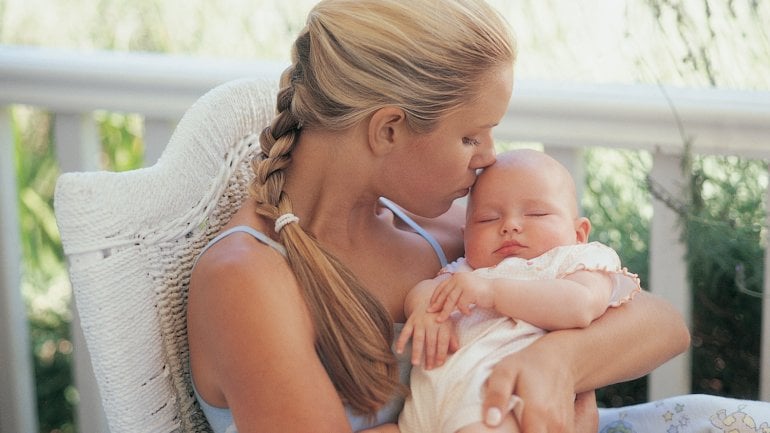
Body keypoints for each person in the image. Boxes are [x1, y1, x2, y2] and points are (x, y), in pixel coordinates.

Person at [186, 1, 690, 432]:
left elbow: (660, 322)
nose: (490, 157)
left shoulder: (433, 228)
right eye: (471, 136)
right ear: (388, 129)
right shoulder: (248, 281)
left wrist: (557, 362)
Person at [395, 149, 642, 433]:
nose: (509, 226)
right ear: (465, 235)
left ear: (578, 234)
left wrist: (494, 293)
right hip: (422, 409)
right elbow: (427, 289)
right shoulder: (468, 271)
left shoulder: (574, 263)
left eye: (536, 213)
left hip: (500, 404)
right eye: (487, 219)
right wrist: (424, 307)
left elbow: (580, 306)